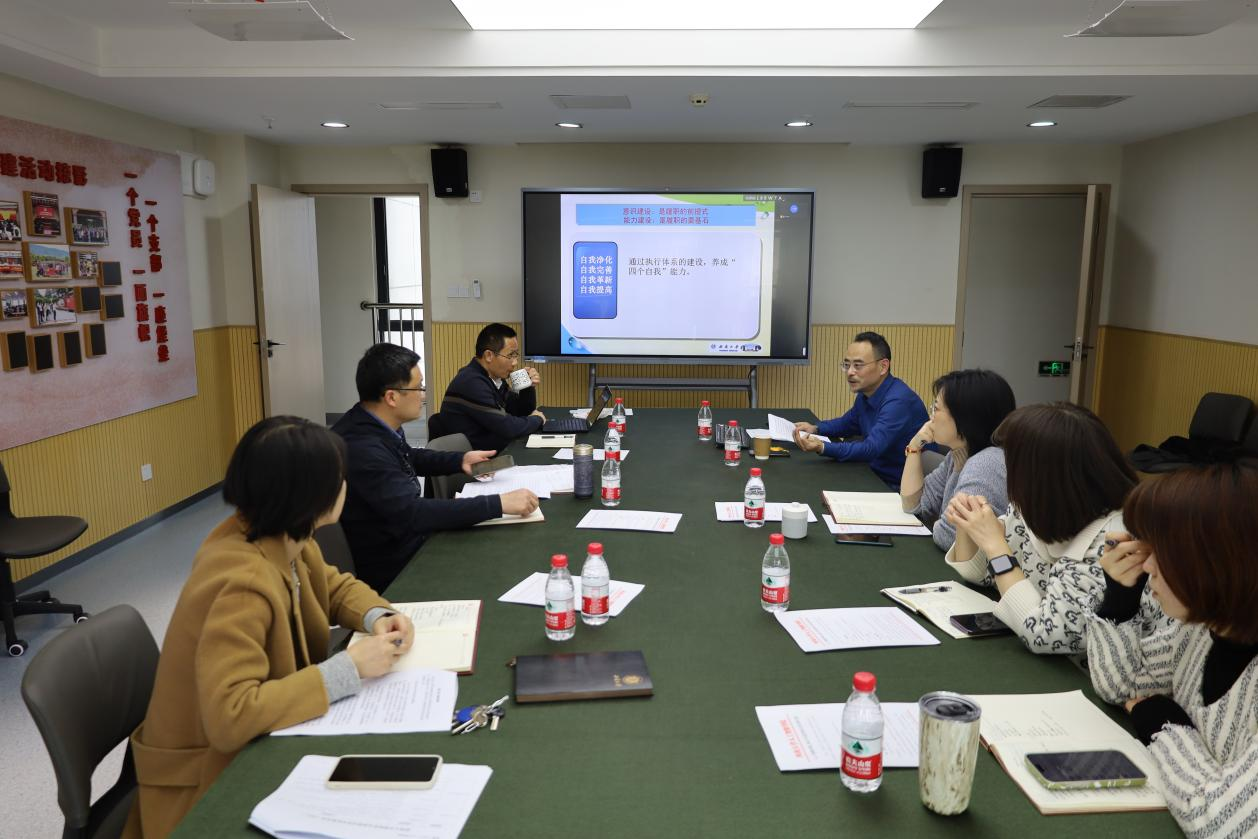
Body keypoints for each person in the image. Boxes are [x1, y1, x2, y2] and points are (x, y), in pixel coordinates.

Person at [124, 417, 414, 839]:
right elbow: (231, 716)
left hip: (255, 745)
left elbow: (331, 586)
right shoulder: (241, 583)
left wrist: (376, 614)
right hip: (205, 786)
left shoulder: (283, 535)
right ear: (312, 497)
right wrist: (348, 668)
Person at [1087, 459, 1258, 838]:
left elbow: (1222, 824)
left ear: (1215, 562)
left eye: (1161, 551)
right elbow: (1123, 685)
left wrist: (1165, 727)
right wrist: (1120, 600)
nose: (1146, 565)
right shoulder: (1203, 630)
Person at [943, 402, 1170, 655]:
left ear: (1044, 477)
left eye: (1014, 464)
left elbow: (1045, 633)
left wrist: (995, 545)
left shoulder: (1116, 541)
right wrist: (966, 523)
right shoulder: (1038, 510)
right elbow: (986, 574)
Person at [332, 343, 538, 590]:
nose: (424, 395)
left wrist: (460, 460)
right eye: (418, 387)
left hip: (408, 543)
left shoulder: (372, 423)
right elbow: (414, 514)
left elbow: (409, 456)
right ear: (391, 397)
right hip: (397, 571)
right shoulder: (362, 448)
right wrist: (498, 504)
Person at [792, 331, 928, 489]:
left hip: (897, 488)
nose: (850, 372)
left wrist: (822, 447)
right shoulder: (866, 394)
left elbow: (871, 448)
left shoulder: (899, 401)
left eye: (858, 365)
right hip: (872, 474)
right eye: (846, 365)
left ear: (883, 366)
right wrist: (816, 428)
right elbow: (848, 423)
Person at [899, 369, 1016, 550]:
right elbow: (914, 505)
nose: (931, 417)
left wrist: (938, 522)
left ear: (966, 417)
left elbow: (949, 538)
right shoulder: (958, 455)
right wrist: (914, 446)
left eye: (936, 409)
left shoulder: (986, 464)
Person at [439, 322, 547, 451]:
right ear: (489, 356)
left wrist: (527, 387)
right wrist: (537, 419)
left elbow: (521, 413)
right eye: (510, 355)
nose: (515, 362)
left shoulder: (494, 378)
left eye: (516, 355)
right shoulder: (471, 382)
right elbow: (507, 427)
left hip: (491, 451)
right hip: (473, 458)